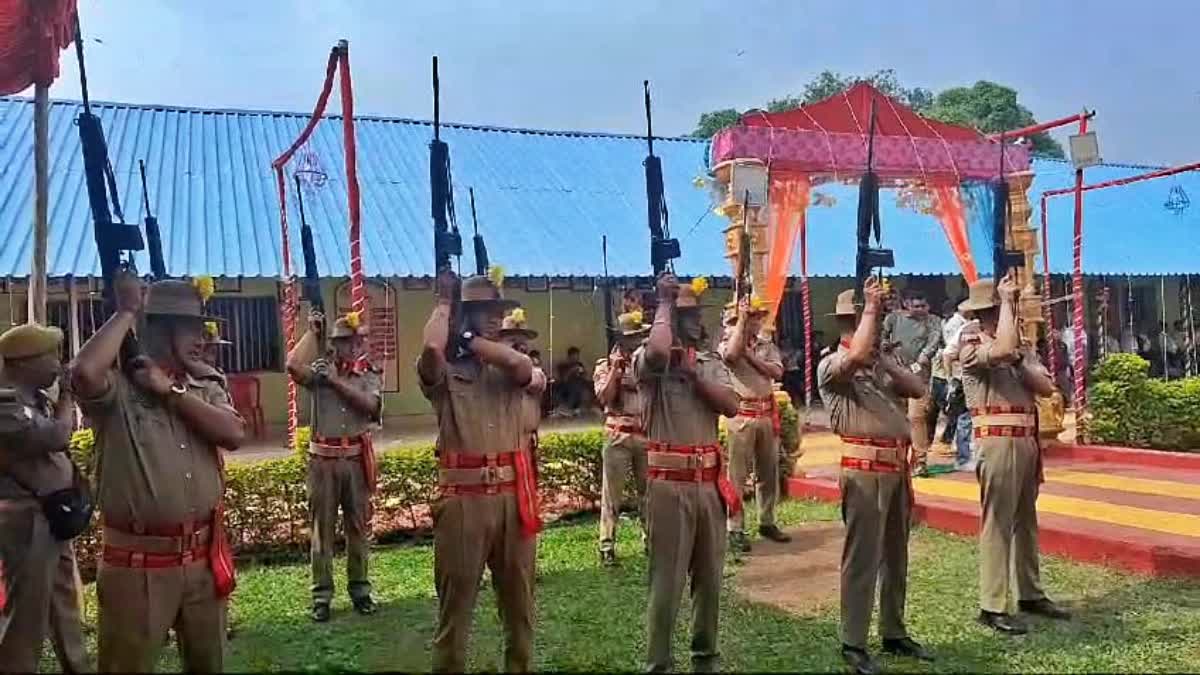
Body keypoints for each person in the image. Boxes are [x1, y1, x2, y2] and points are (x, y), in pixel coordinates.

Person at [71, 276, 245, 672]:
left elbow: (233, 433)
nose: (200, 338)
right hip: (138, 565)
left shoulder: (204, 383)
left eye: (201, 327)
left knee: (209, 664)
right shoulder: (118, 388)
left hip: (202, 559)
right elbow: (82, 374)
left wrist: (169, 392)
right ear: (156, 328)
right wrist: (127, 311)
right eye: (188, 328)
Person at [418, 272, 543, 673]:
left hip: (512, 500)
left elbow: (522, 367)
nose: (494, 318)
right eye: (482, 312)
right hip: (464, 503)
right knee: (455, 614)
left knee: (519, 611)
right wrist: (443, 304)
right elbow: (430, 353)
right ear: (463, 316)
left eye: (496, 311)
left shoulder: (510, 364)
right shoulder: (447, 373)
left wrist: (474, 341)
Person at [818, 279, 932, 675]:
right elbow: (852, 360)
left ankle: (893, 630)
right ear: (852, 324)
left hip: (896, 470)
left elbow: (917, 388)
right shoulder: (833, 365)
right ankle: (853, 641)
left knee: (896, 556)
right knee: (862, 558)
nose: (880, 323)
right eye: (872, 318)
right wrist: (869, 316)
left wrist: (883, 362)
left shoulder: (880, 364)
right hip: (864, 472)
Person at [638, 275, 739, 672]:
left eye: (698, 313)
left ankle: (705, 657)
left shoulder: (709, 362)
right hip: (669, 486)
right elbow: (659, 353)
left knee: (710, 580)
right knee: (667, 582)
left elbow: (730, 406)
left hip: (708, 486)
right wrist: (664, 304)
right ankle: (658, 663)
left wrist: (695, 375)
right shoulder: (649, 361)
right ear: (673, 319)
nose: (698, 321)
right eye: (689, 314)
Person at [959, 274, 1070, 635]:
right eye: (1003, 306)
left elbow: (1046, 386)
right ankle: (992, 604)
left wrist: (1023, 361)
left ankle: (1030, 592)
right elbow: (1002, 350)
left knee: (1026, 521)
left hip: (1025, 439)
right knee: (998, 522)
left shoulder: (1020, 347)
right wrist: (1008, 305)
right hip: (997, 438)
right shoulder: (972, 342)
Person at [0, 323, 88, 673]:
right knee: (28, 615)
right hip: (25, 520)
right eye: (50, 355)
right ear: (24, 362)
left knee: (64, 604)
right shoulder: (6, 403)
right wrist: (67, 396)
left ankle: (77, 665)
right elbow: (55, 437)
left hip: (51, 515)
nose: (58, 362)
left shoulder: (34, 400)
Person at [286, 308, 382, 622]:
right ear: (336, 344)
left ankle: (360, 590)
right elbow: (292, 365)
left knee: (357, 529)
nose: (355, 346)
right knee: (321, 531)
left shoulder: (368, 373)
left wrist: (336, 383)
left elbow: (370, 406)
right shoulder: (321, 369)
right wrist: (313, 334)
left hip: (354, 458)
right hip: (323, 461)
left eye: (358, 341)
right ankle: (321, 596)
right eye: (347, 342)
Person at [720, 296, 789, 553]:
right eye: (753, 316)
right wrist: (743, 339)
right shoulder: (729, 340)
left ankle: (767, 520)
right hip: (741, 415)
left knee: (768, 473)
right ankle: (734, 527)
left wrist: (752, 357)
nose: (758, 321)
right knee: (736, 476)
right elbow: (730, 356)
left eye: (759, 316)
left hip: (765, 413)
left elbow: (777, 372)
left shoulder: (765, 344)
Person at [593, 310, 650, 566]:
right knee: (611, 493)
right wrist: (616, 370)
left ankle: (651, 540)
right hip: (618, 432)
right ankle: (607, 544)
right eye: (633, 337)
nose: (637, 341)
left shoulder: (648, 364)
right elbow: (604, 397)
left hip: (645, 433)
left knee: (648, 492)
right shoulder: (605, 365)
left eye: (640, 336)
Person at [880, 290, 942, 475]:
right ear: (906, 304)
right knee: (895, 414)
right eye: (916, 306)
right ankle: (896, 457)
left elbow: (934, 341)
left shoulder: (933, 320)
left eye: (924, 306)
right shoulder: (893, 318)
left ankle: (920, 461)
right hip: (894, 372)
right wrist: (885, 346)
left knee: (917, 417)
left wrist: (923, 358)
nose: (921, 310)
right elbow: (882, 335)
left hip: (919, 374)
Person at [498, 308, 548, 480]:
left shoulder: (536, 373)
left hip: (526, 443)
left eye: (523, 341)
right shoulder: (491, 373)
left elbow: (530, 380)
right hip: (500, 448)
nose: (520, 346)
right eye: (512, 340)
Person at [554, 346, 591, 415]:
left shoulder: (580, 365)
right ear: (569, 357)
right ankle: (568, 409)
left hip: (580, 387)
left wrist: (583, 373)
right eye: (574, 357)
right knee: (574, 387)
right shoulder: (563, 366)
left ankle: (579, 409)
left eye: (577, 357)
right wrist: (572, 370)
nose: (576, 359)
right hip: (566, 387)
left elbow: (585, 377)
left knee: (584, 389)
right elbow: (563, 379)